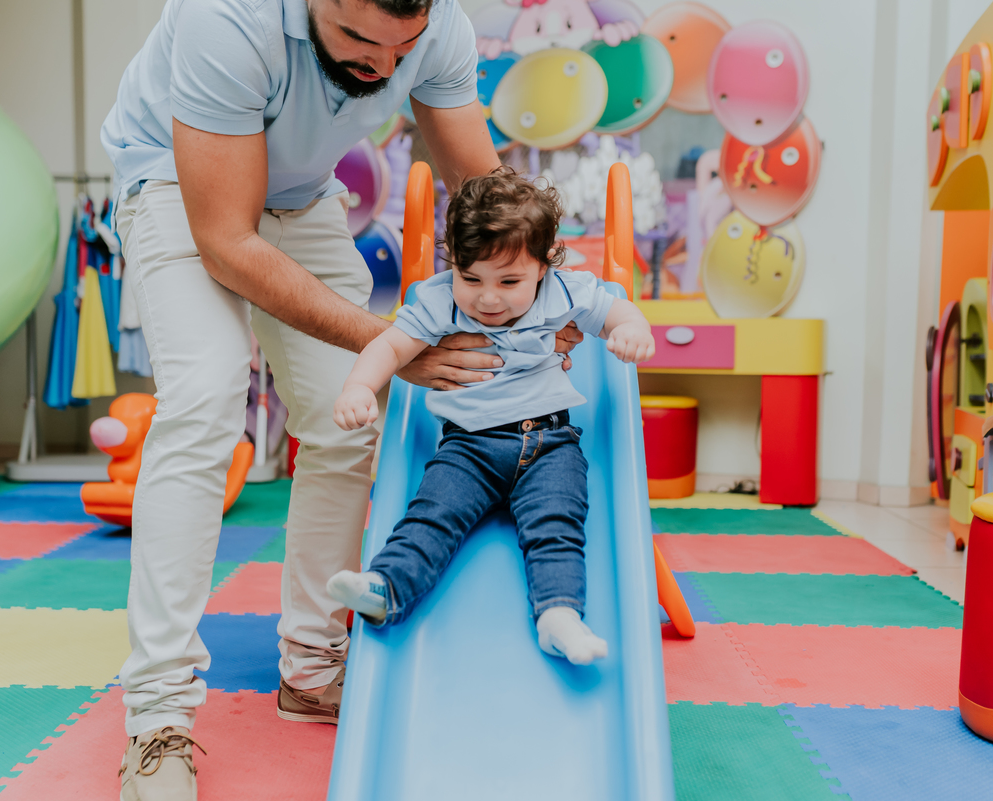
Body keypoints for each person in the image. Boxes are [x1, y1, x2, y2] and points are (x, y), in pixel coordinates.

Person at [99, 0, 584, 797]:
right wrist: (392, 344)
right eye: (360, 40)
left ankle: (312, 666)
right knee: (207, 394)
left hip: (302, 197)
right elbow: (226, 239)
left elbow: (484, 187)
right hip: (180, 184)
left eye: (405, 47)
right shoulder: (229, 19)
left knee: (347, 416)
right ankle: (158, 717)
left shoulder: (440, 29)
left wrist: (554, 294)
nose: (384, 67)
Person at [327, 169, 655, 665]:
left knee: (557, 525)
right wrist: (358, 386)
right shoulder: (440, 301)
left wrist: (632, 330)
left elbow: (619, 313)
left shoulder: (564, 292)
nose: (488, 297)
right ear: (453, 263)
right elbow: (390, 345)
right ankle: (386, 588)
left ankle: (558, 616)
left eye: (509, 281)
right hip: (469, 449)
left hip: (551, 444)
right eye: (470, 277)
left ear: (543, 267)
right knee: (431, 517)